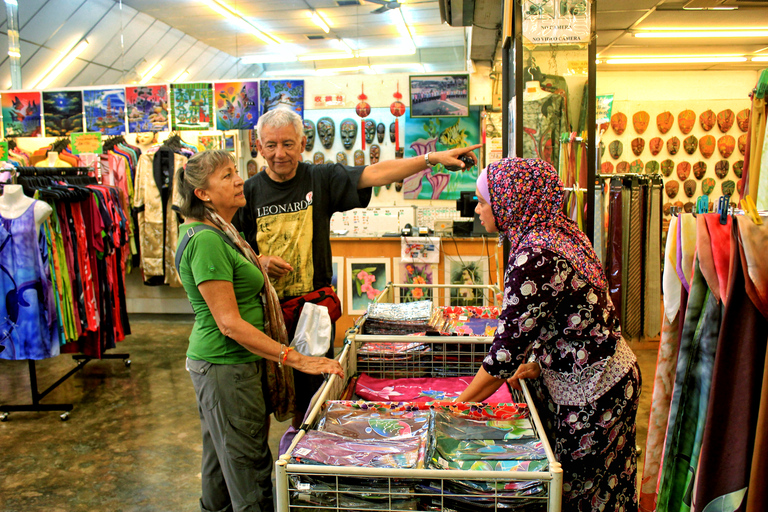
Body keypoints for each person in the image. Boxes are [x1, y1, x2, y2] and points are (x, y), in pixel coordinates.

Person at [236, 108, 480, 428]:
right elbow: (234, 249)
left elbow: (376, 173)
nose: (279, 154)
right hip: (265, 311)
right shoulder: (249, 191)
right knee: (264, 391)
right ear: (258, 145)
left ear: (302, 142)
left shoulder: (319, 179)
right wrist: (260, 261)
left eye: (288, 144)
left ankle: (299, 453)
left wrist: (431, 157)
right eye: (270, 145)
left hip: (313, 312)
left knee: (312, 396)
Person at [457, 158, 641, 511]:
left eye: (484, 201)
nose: (478, 209)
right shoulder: (560, 232)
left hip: (595, 396)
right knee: (609, 491)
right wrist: (543, 364)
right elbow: (576, 316)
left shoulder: (535, 254)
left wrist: (456, 406)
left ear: (509, 202)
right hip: (613, 379)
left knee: (576, 497)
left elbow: (503, 358)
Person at [174, 149, 343, 512]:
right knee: (249, 468)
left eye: (237, 171)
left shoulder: (223, 232)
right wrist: (295, 359)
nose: (240, 180)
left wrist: (258, 262)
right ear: (203, 193)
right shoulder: (206, 240)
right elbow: (229, 324)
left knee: (221, 464)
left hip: (224, 366)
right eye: (227, 176)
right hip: (225, 366)